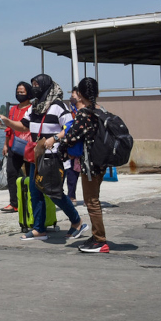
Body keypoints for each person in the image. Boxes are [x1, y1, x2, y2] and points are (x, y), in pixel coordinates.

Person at [8, 74, 88, 242]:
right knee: (34, 192)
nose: (34, 87)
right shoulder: (34, 106)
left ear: (45, 86)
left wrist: (55, 138)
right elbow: (24, 125)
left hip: (54, 157)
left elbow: (70, 127)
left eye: (37, 84)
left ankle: (77, 222)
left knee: (54, 194)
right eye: (33, 85)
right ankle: (39, 229)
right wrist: (8, 122)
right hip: (36, 157)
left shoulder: (58, 106)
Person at [57, 78, 109, 253]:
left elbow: (72, 136)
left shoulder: (84, 113)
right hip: (101, 162)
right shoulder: (101, 110)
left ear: (80, 94)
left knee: (91, 201)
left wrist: (60, 148)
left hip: (90, 164)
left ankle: (100, 241)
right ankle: (96, 236)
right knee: (92, 200)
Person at [0, 82, 31, 213]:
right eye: (18, 92)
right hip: (13, 145)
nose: (19, 94)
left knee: (29, 175)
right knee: (11, 172)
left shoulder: (32, 109)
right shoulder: (13, 109)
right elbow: (9, 128)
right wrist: (5, 144)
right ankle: (14, 203)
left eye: (22, 92)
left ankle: (30, 200)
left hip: (28, 147)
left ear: (28, 93)